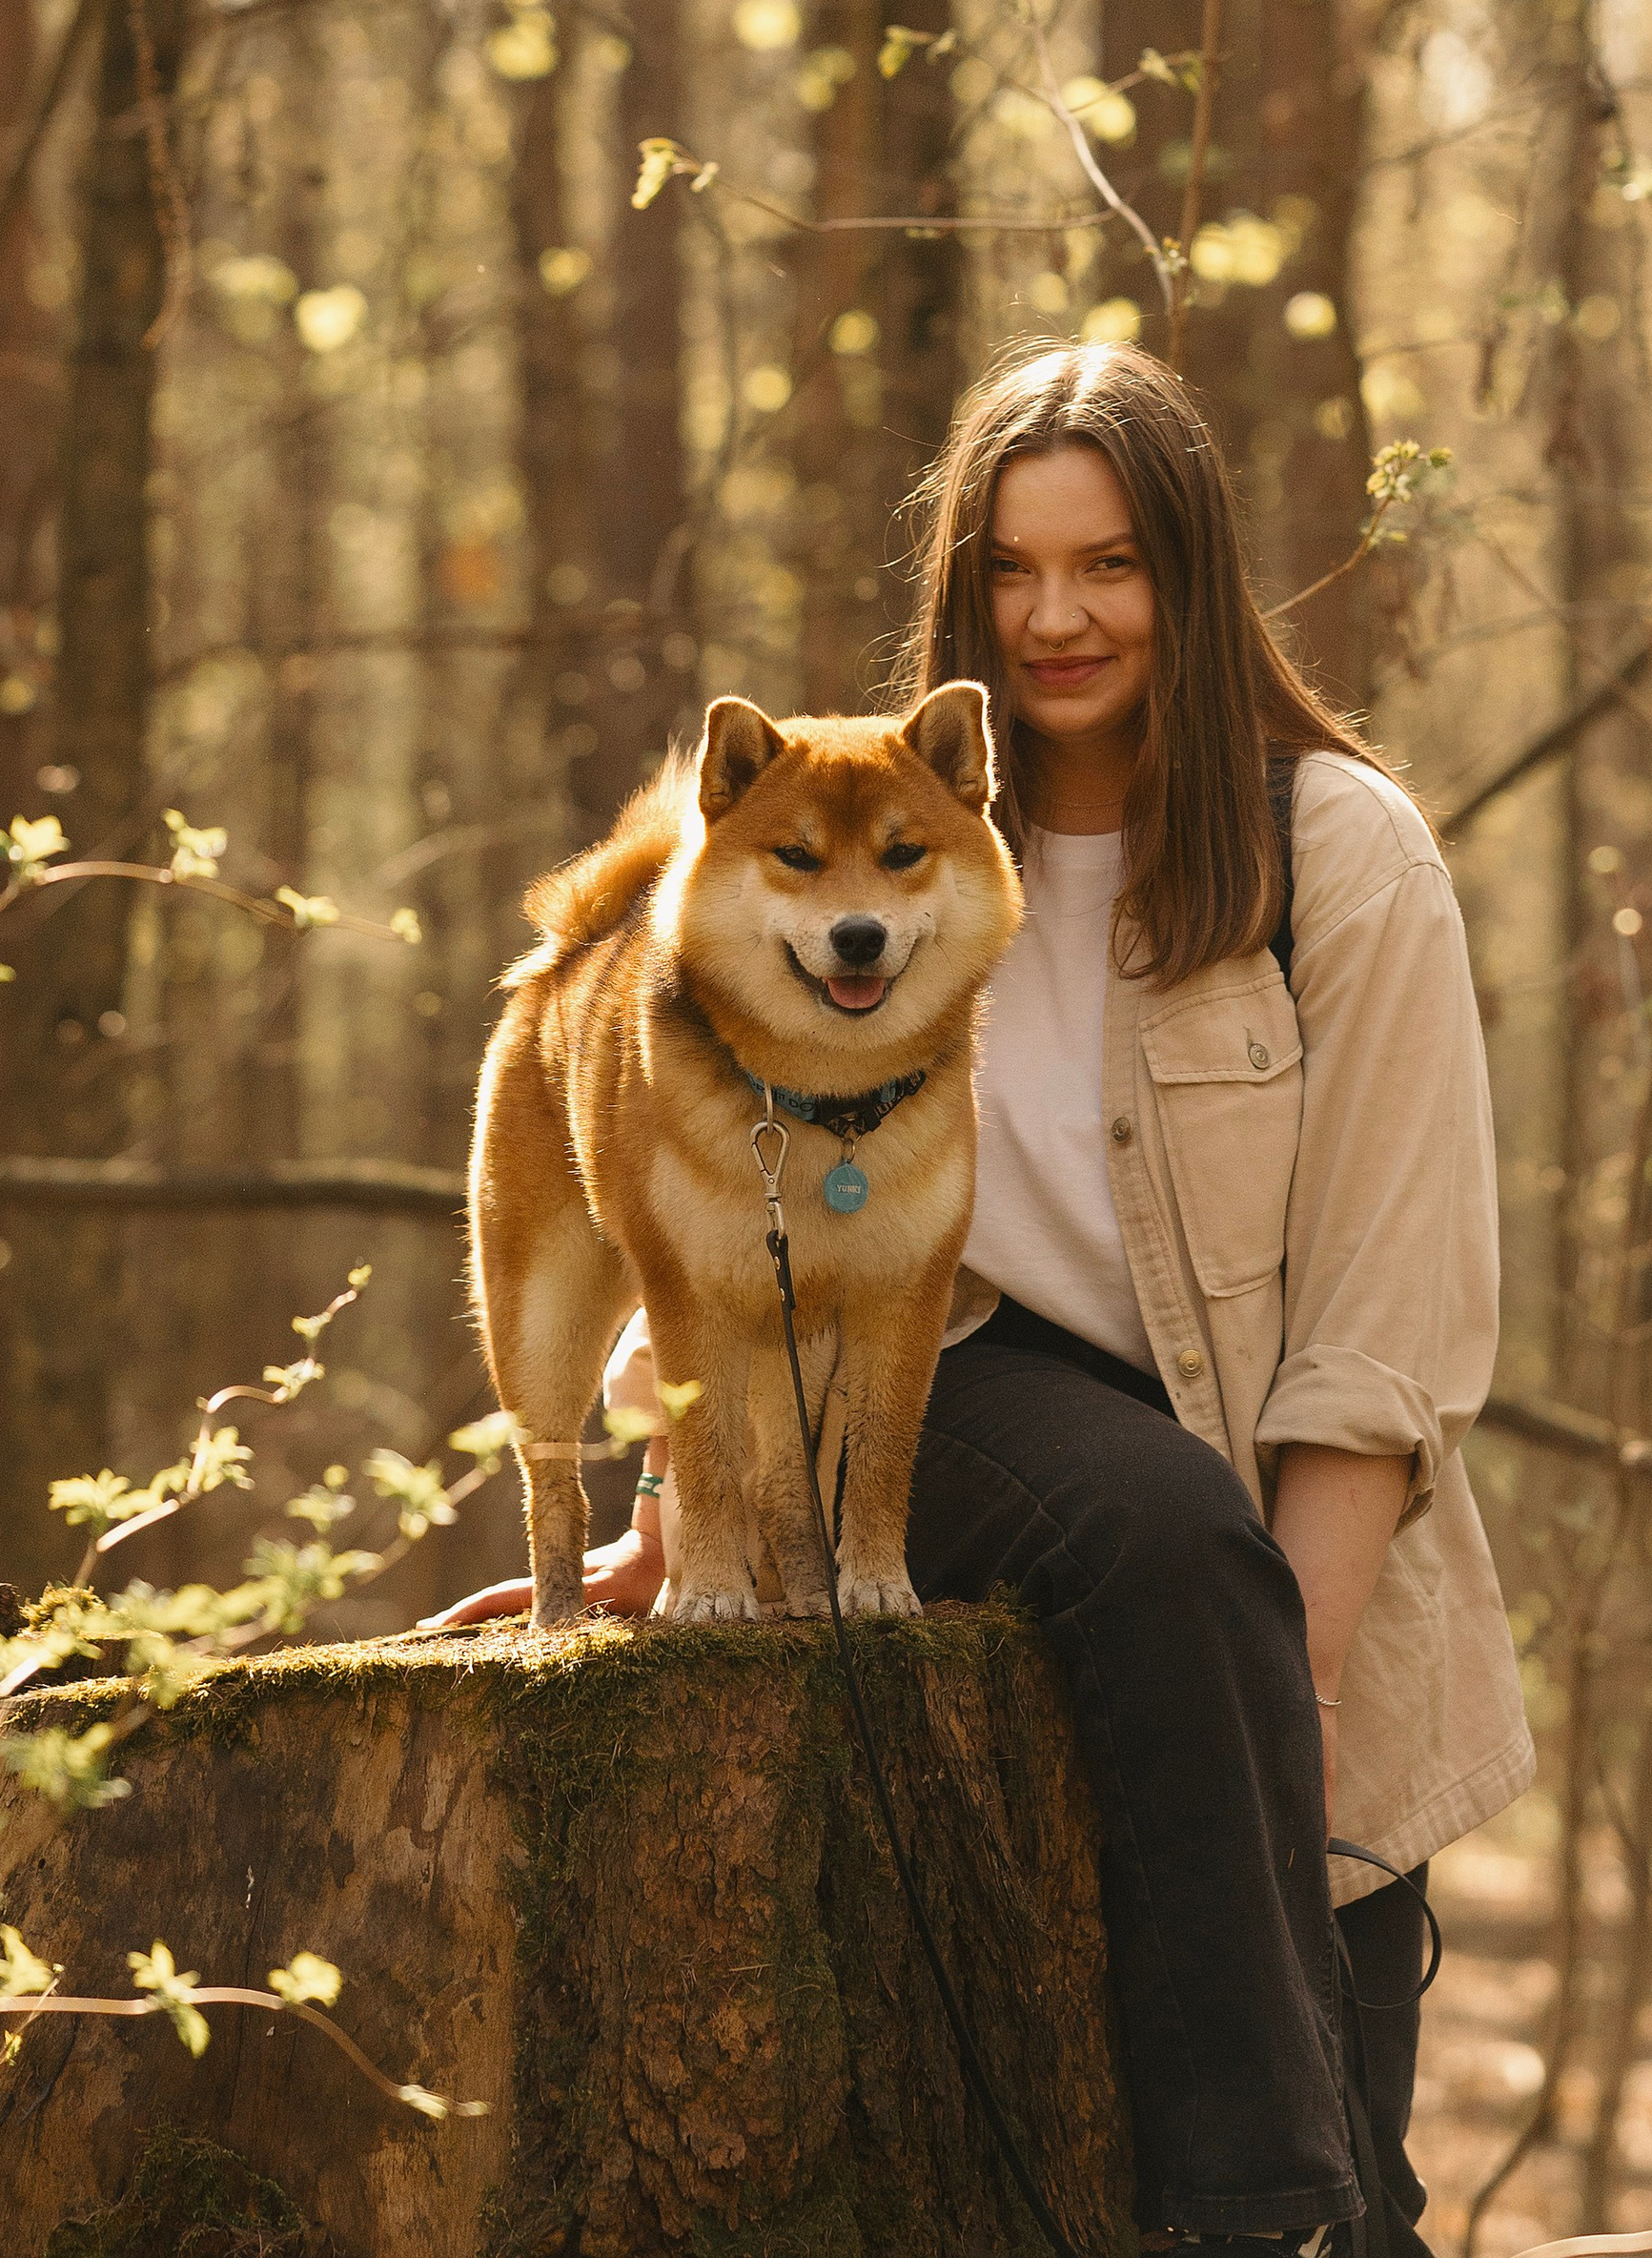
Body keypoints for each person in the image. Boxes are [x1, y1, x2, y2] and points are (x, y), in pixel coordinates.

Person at [435, 341, 1531, 2254]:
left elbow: (1380, 1338)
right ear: (961, 596)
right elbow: (723, 1190)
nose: (1058, 617)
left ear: (1186, 581)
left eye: (1107, 565)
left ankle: (1315, 2211)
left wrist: (1309, 1682)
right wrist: (689, 1507)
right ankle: (1257, 2231)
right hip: (946, 1391)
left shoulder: (1333, 855)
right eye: (1012, 573)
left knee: (1332, 2034)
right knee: (1170, 1539)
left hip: (1274, 1503)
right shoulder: (885, 842)